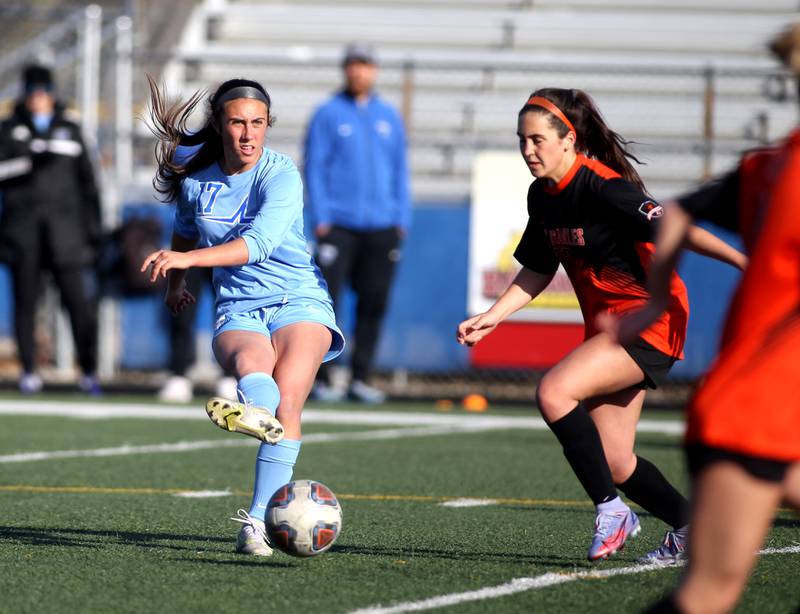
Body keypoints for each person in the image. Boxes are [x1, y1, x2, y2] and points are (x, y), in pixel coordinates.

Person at [457, 88, 747, 562]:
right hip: (610, 328)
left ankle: (612, 512)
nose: (528, 150)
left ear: (568, 139)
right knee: (614, 459)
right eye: (521, 140)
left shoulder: (602, 186)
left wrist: (742, 260)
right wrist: (492, 317)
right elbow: (537, 269)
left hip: (651, 319)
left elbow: (676, 226)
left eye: (538, 140)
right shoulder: (543, 195)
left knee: (553, 391)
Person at [606, 25, 800, 614]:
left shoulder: (773, 164)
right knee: (708, 596)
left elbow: (678, 213)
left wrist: (654, 300)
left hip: (761, 404)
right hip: (758, 409)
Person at [141, 76, 344, 556]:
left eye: (258, 123)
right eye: (237, 123)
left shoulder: (282, 173)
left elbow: (259, 245)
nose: (248, 135)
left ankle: (255, 522)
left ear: (268, 125)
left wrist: (187, 265)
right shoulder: (196, 184)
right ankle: (256, 412)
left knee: (288, 403)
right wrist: (176, 282)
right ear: (219, 124)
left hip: (299, 298)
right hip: (238, 305)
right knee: (254, 369)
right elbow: (185, 233)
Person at [303, 42, 411, 404]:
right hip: (338, 225)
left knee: (374, 302)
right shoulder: (328, 114)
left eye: (365, 64)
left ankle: (361, 376)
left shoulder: (388, 116)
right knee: (325, 304)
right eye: (353, 64)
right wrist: (321, 217)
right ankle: (322, 377)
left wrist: (400, 218)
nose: (359, 71)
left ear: (374, 70)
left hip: (382, 226)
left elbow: (400, 170)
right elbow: (314, 167)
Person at [0, 64, 102, 395]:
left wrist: (93, 232)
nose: (37, 98)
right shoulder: (8, 128)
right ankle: (29, 370)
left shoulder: (71, 129)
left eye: (43, 91)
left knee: (78, 304)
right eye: (32, 91)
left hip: (66, 236)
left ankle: (88, 369)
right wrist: (28, 162)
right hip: (23, 234)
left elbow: (89, 184)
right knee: (26, 304)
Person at [156, 266, 238, 403]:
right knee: (182, 312)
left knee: (230, 312)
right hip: (192, 251)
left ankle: (230, 376)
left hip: (223, 251)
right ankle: (178, 374)